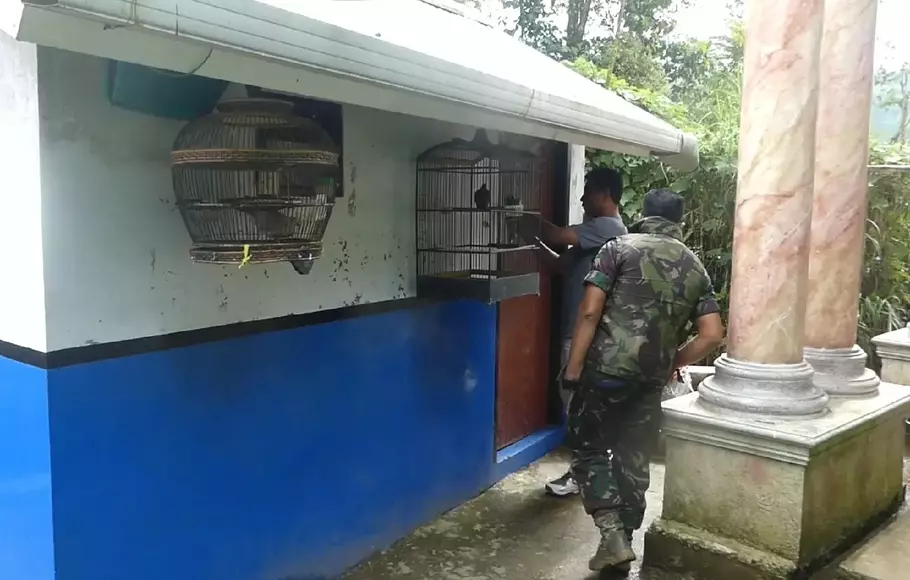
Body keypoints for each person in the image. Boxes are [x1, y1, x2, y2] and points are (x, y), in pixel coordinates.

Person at [561, 188, 725, 573]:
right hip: (649, 380)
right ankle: (626, 540)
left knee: (588, 448)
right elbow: (712, 334)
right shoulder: (695, 267)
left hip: (604, 371)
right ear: (678, 222)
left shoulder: (617, 249)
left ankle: (611, 533)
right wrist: (671, 361)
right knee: (634, 458)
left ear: (645, 213)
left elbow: (589, 313)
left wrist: (573, 368)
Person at [529, 167, 627, 497]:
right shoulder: (592, 237)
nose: (583, 198)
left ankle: (583, 474)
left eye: (588, 191)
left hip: (584, 333)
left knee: (577, 405)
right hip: (576, 329)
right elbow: (558, 263)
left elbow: (557, 235)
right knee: (579, 404)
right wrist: (531, 238)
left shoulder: (608, 227)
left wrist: (520, 216)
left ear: (605, 194)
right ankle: (591, 470)